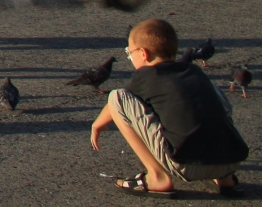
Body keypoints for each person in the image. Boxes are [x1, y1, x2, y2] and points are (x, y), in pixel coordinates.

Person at [90, 18, 247, 196]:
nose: (129, 56)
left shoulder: (145, 75)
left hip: (186, 165)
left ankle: (157, 177)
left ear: (143, 53)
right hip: (231, 160)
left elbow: (118, 103)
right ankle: (225, 178)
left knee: (116, 96)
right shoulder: (193, 71)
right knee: (210, 91)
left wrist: (97, 124)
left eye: (129, 52)